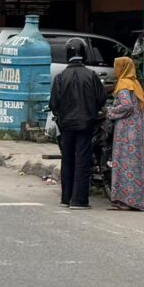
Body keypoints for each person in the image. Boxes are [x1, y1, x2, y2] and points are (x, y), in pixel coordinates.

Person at [46, 41, 105, 207]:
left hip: (66, 125)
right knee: (82, 160)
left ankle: (66, 198)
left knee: (68, 159)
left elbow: (53, 103)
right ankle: (79, 200)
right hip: (86, 124)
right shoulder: (91, 75)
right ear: (84, 54)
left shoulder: (60, 77)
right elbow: (101, 99)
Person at [103, 56, 144, 210]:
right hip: (135, 130)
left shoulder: (124, 84)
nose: (115, 69)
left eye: (117, 66)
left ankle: (125, 201)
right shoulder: (135, 84)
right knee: (134, 166)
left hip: (125, 132)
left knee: (124, 164)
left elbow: (126, 106)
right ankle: (136, 200)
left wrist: (110, 112)